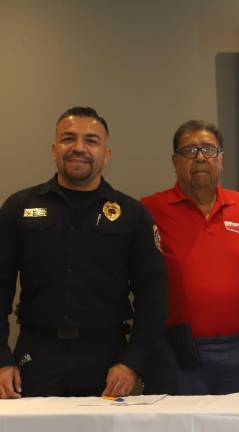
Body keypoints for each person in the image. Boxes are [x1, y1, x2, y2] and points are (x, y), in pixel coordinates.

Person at [0, 107, 167, 399]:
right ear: (54, 150)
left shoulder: (133, 215)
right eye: (68, 139)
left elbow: (154, 297)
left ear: (107, 153)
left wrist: (132, 362)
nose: (79, 148)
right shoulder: (18, 207)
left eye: (91, 140)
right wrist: (1, 360)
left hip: (108, 363)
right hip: (37, 357)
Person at [140, 120, 239, 395]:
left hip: (238, 350)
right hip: (176, 351)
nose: (201, 157)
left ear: (221, 159)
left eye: (208, 149)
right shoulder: (149, 210)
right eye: (190, 150)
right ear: (175, 160)